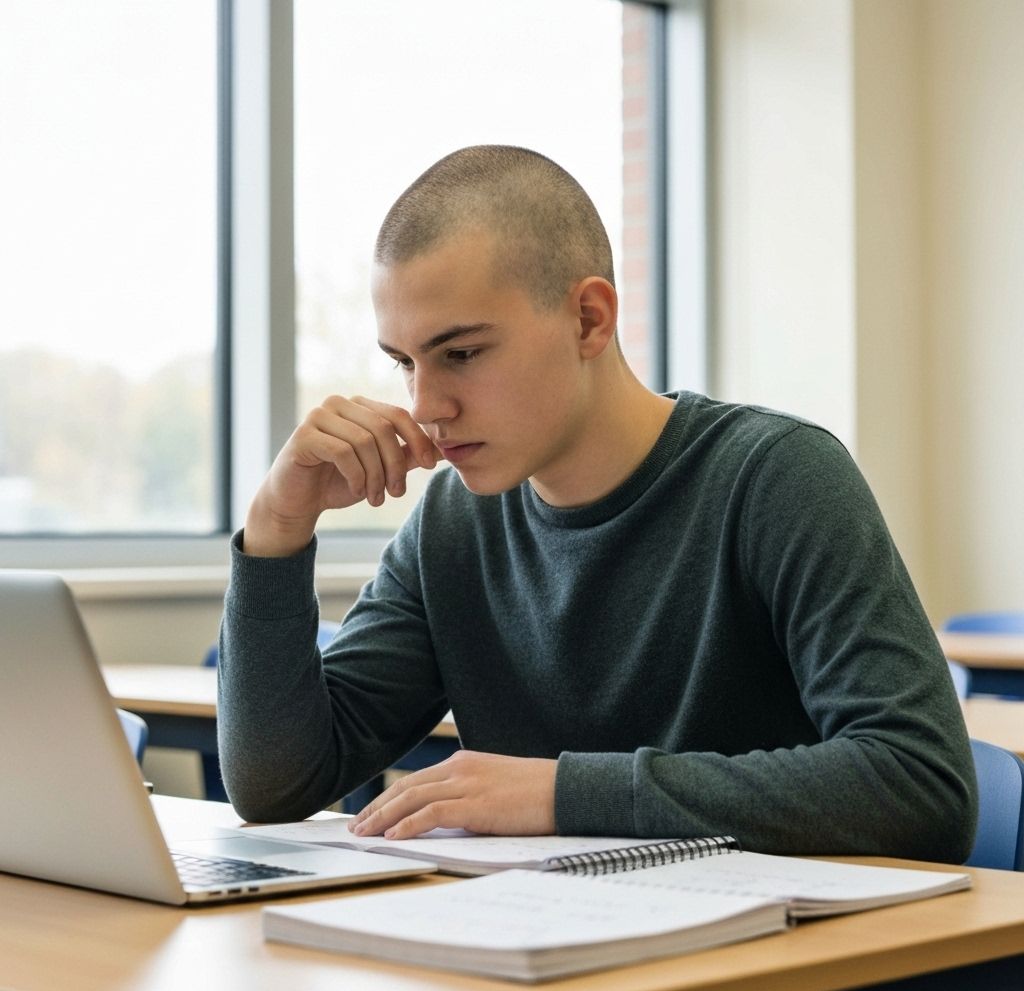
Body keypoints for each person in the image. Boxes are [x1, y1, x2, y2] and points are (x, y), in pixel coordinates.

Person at [218, 144, 977, 861]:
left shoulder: (776, 477)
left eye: (462, 354)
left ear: (589, 318)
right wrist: (278, 529)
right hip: (545, 959)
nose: (426, 407)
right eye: (404, 364)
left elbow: (920, 784)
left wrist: (564, 791)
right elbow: (277, 785)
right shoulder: (454, 523)